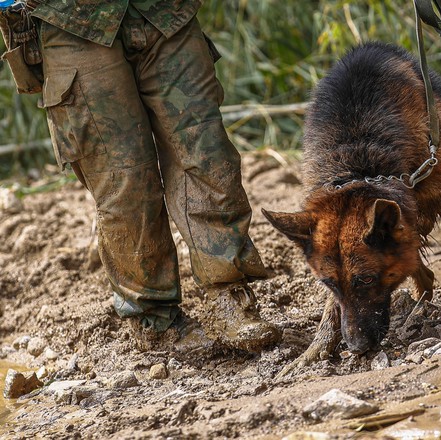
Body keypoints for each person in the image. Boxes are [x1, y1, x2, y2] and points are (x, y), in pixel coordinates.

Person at [1, 0, 281, 356]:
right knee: (123, 178)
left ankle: (229, 296)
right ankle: (155, 322)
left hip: (164, 12)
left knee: (205, 151)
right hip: (69, 21)